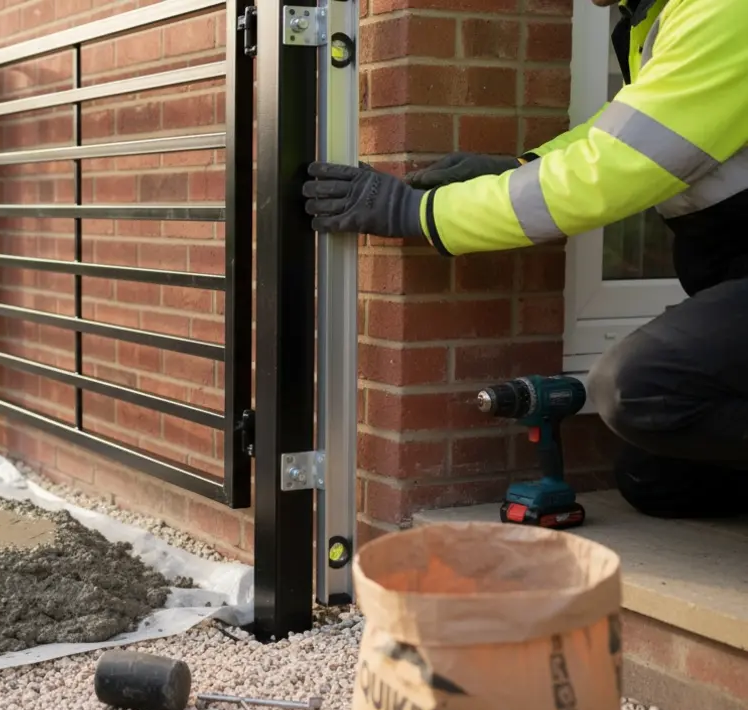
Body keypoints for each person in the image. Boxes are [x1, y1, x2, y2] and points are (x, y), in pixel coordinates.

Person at [301, 0, 748, 517]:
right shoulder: (650, 18)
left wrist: (422, 212)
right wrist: (521, 166)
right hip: (728, 271)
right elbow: (626, 127)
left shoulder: (725, 10)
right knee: (654, 480)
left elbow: (615, 168)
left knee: (639, 391)